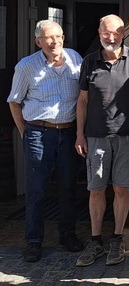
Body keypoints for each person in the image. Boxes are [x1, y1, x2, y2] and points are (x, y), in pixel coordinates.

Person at [7, 20, 84, 262]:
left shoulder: (75, 59)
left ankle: (67, 234)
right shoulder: (26, 66)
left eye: (58, 36)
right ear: (38, 41)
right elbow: (14, 102)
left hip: (69, 132)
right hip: (39, 133)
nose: (55, 42)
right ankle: (33, 241)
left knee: (68, 187)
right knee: (37, 189)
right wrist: (25, 132)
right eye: (48, 38)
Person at [75, 14, 129, 267]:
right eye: (107, 33)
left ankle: (117, 238)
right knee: (95, 189)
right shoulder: (89, 62)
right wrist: (79, 134)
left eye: (117, 32)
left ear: (124, 33)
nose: (112, 37)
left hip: (127, 135)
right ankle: (95, 240)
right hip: (95, 136)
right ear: (99, 32)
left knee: (121, 187)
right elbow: (82, 101)